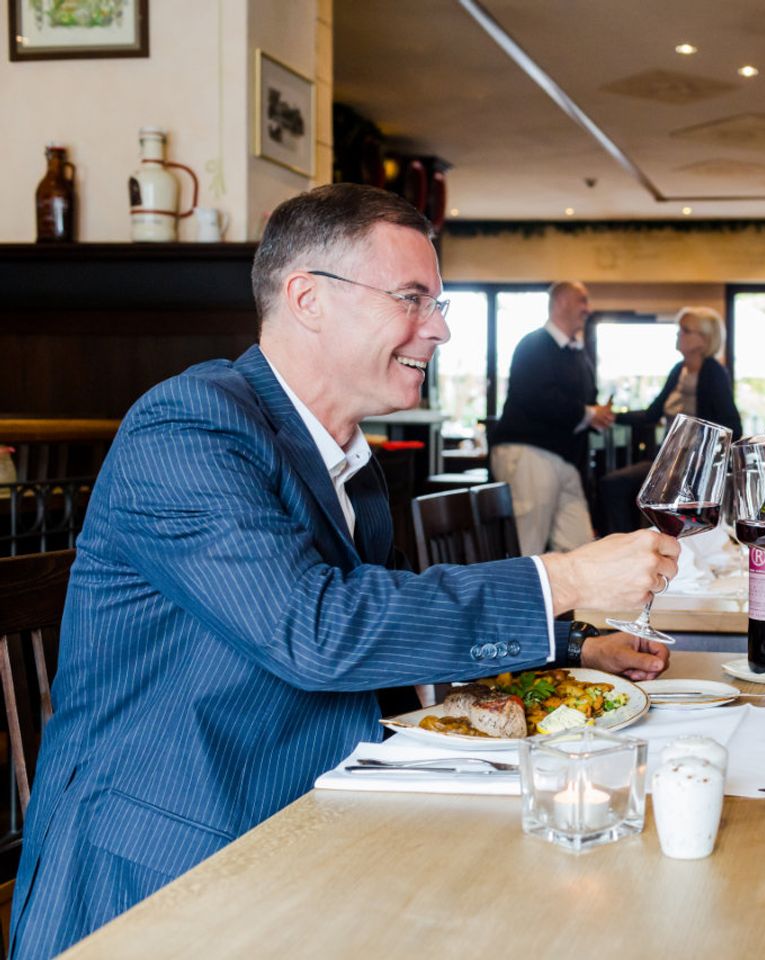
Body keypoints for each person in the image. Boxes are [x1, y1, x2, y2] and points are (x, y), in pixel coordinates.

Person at [10, 185, 677, 959]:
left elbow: (386, 619)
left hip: (315, 817)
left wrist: (568, 646)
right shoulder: (188, 427)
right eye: (412, 299)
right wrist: (565, 578)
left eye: (440, 302)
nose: (441, 329)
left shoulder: (348, 462)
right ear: (307, 299)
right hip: (167, 868)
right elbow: (317, 631)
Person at [489, 281, 614, 555]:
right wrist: (589, 413)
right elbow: (536, 398)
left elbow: (582, 401)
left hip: (567, 460)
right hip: (529, 451)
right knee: (528, 544)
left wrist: (595, 415)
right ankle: (519, 598)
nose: (588, 309)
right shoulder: (533, 344)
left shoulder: (578, 354)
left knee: (580, 547)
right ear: (560, 303)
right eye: (582, 300)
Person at [599, 306, 742, 533]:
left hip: (694, 467)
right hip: (668, 462)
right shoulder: (679, 370)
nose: (678, 334)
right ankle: (628, 546)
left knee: (624, 488)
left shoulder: (713, 372)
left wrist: (703, 456)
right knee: (614, 485)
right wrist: (613, 416)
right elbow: (652, 413)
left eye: (685, 330)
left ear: (703, 341)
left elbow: (732, 426)